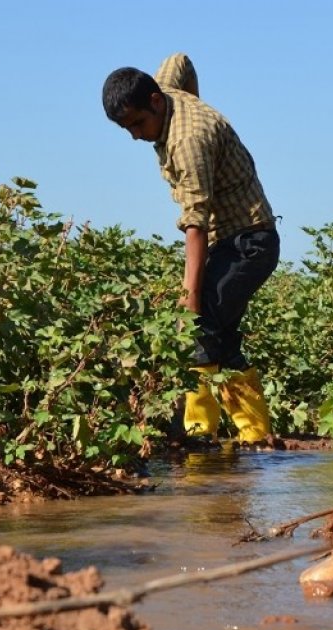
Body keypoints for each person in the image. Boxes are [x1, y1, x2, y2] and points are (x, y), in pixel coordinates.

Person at [102, 53, 280, 446]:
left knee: (200, 329)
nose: (135, 135)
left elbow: (195, 223)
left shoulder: (189, 141)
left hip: (249, 242)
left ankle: (198, 437)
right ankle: (256, 436)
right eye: (126, 129)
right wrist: (196, 102)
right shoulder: (164, 88)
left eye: (137, 124)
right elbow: (179, 60)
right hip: (231, 241)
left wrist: (189, 296)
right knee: (222, 337)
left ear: (155, 102)